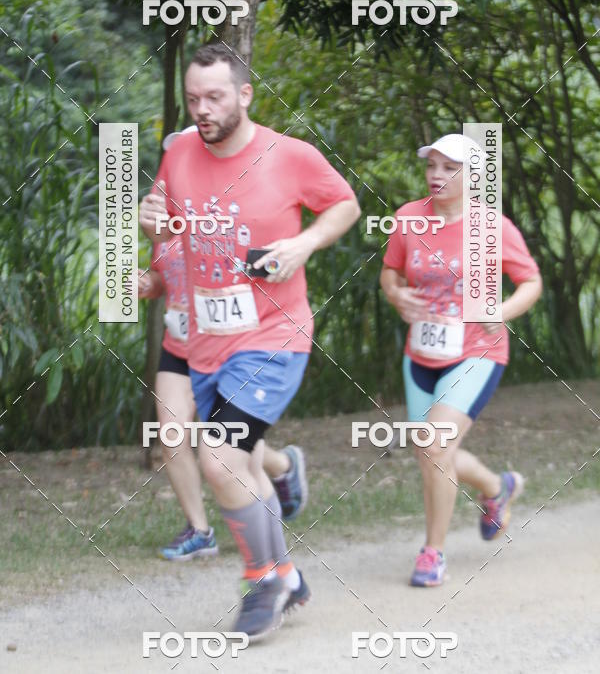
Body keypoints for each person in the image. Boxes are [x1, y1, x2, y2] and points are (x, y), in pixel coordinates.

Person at [139, 42, 360, 638]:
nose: (201, 110)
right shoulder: (182, 151)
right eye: (192, 100)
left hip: (273, 335)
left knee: (221, 457)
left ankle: (263, 580)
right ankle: (286, 572)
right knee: (243, 467)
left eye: (213, 97)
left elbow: (344, 204)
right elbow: (158, 214)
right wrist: (149, 222)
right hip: (207, 339)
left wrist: (304, 244)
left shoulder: (288, 156)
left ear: (244, 94)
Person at [138, 130, 312, 561]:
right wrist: (146, 284)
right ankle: (199, 530)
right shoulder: (163, 229)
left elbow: (264, 265)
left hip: (232, 345)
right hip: (180, 343)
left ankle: (281, 470)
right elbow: (162, 278)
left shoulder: (228, 219)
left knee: (222, 442)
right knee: (174, 432)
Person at [380, 133, 542, 587]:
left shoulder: (493, 226)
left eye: (448, 168)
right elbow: (390, 273)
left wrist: (500, 311)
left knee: (434, 445)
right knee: (431, 451)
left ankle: (432, 553)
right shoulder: (408, 218)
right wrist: (397, 295)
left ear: (473, 176)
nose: (436, 175)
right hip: (422, 353)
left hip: (477, 351)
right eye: (431, 166)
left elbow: (530, 282)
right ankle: (497, 487)